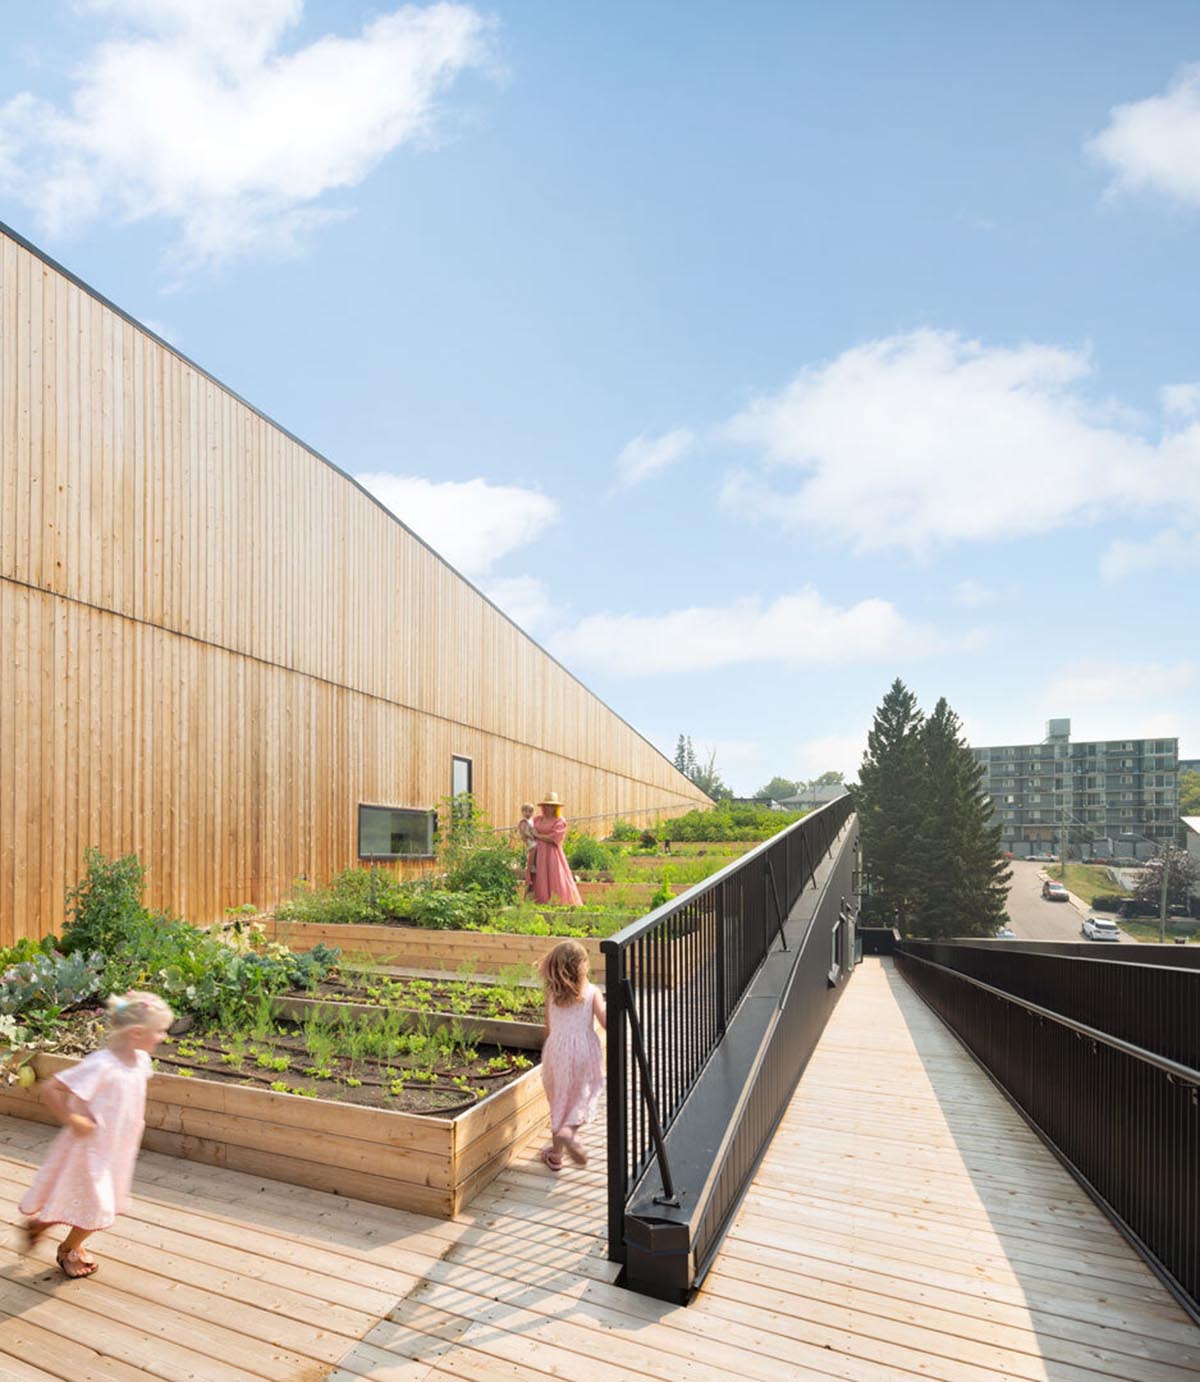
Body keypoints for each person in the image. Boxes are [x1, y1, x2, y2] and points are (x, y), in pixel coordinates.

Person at [20, 990, 173, 1278]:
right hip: (89, 1149)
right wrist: (72, 1118)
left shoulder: (140, 1061)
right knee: (101, 1208)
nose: (164, 1036)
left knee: (86, 1200)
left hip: (117, 1149)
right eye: (160, 1031)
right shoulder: (102, 1065)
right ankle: (68, 1250)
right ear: (137, 1033)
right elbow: (51, 1087)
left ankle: (40, 1225)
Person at [537, 940, 605, 1171]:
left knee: (559, 1101)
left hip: (555, 1051)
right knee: (580, 1097)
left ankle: (556, 1156)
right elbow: (606, 1023)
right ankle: (570, 1132)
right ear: (582, 966)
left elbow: (548, 1027)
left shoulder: (551, 993)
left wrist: (549, 1052)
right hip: (583, 1052)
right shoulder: (592, 992)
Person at [531, 792, 583, 906]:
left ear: (556, 807)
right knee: (539, 876)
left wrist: (538, 836)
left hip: (552, 853)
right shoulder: (537, 819)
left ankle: (558, 902)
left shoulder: (559, 821)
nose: (549, 808)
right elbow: (528, 830)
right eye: (547, 805)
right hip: (538, 853)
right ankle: (541, 901)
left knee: (556, 876)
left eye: (552, 806)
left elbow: (555, 838)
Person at [517, 802, 538, 896]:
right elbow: (524, 832)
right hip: (528, 839)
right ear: (522, 812)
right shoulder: (523, 822)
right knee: (533, 847)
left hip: (532, 838)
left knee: (537, 848)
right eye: (526, 811)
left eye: (530, 811)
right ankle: (532, 865)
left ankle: (534, 862)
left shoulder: (532, 821)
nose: (528, 813)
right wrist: (532, 836)